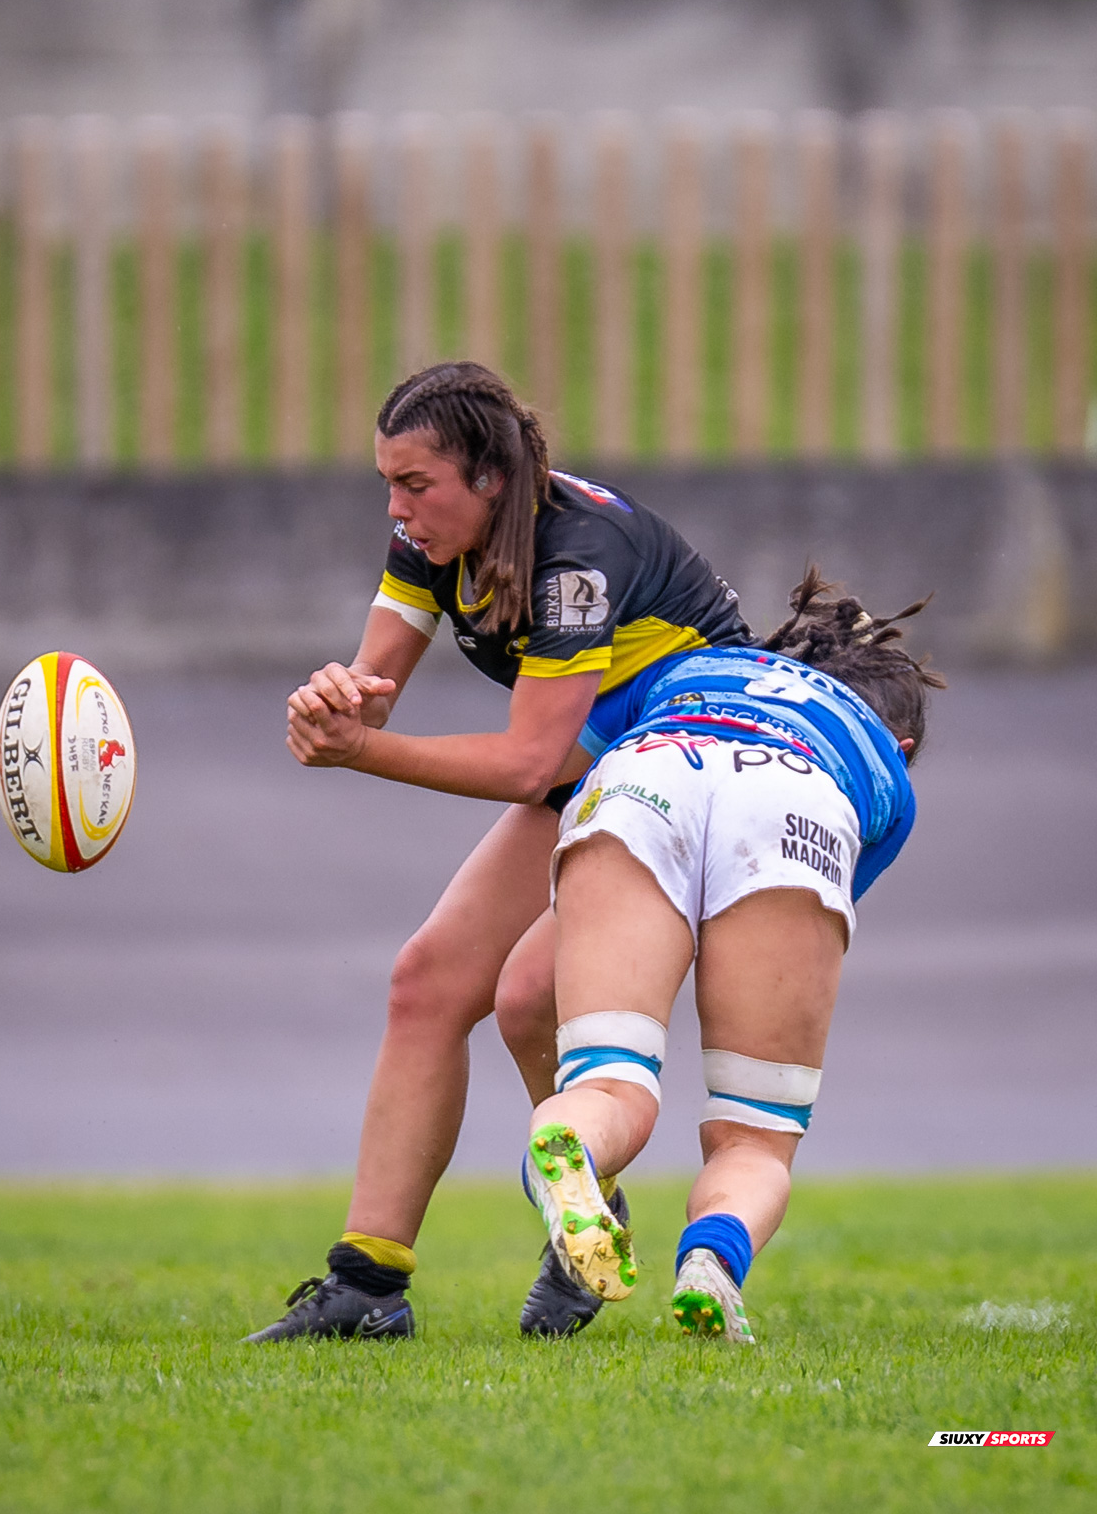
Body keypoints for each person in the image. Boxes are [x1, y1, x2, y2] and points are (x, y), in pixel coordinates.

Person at [245, 360, 753, 1343]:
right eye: (388, 484)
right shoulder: (431, 539)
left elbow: (528, 764)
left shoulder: (577, 557)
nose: (397, 510)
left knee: (526, 995)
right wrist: (336, 702)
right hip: (603, 757)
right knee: (428, 981)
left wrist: (360, 753)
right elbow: (374, 686)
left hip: (694, 766)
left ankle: (582, 1210)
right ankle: (366, 1287)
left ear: (492, 477)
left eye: (416, 485)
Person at [521, 569, 944, 1341]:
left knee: (610, 1081)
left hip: (648, 771)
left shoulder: (694, 667)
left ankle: (571, 1144)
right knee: (754, 1134)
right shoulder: (881, 762)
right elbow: (804, 918)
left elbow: (559, 753)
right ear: (903, 744)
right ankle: (712, 1260)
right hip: (798, 801)